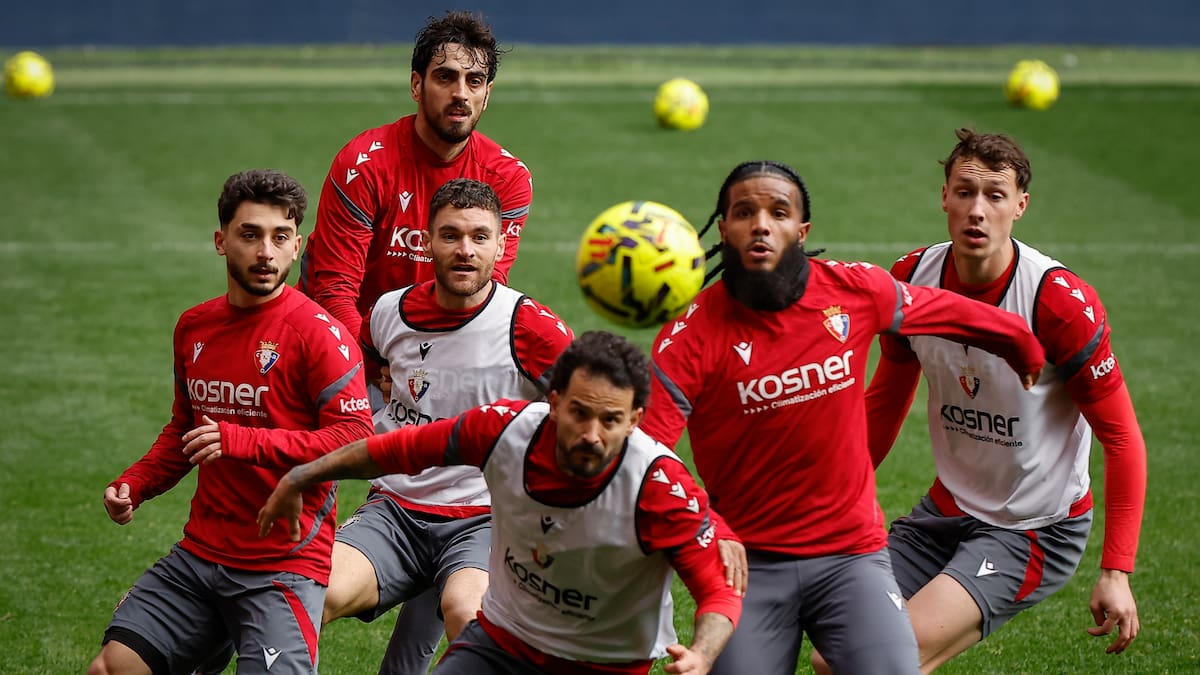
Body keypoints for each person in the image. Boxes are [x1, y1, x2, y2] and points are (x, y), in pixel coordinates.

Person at [639, 160, 1048, 674]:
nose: (761, 224)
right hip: (749, 564)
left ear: (801, 231)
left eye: (778, 212)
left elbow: (939, 308)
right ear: (723, 230)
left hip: (852, 557)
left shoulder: (853, 291)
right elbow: (648, 461)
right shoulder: (688, 339)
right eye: (744, 212)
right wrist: (709, 524)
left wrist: (1017, 339)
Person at [258, 330, 743, 675]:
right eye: (579, 413)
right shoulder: (504, 430)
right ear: (553, 401)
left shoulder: (656, 486)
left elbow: (718, 593)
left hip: (605, 666)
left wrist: (701, 654)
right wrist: (302, 474)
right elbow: (394, 451)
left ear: (636, 419)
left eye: (611, 420)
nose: (591, 435)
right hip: (501, 646)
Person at [857, 128, 1146, 672]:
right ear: (943, 195)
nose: (977, 210)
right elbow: (883, 402)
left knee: (885, 654)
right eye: (964, 192)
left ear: (1020, 206)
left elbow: (1122, 437)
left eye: (994, 196)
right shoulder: (911, 279)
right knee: (836, 653)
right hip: (946, 508)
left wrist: (1116, 571)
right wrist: (833, 496)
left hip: (1035, 527)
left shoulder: (1057, 303)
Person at [88, 169, 374, 675]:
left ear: (296, 247)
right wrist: (136, 483)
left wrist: (242, 440)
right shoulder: (194, 327)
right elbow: (185, 430)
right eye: (250, 235)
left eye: (280, 237)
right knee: (112, 668)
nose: (265, 251)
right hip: (201, 556)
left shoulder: (320, 336)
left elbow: (355, 439)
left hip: (282, 567)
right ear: (221, 241)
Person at [321, 178, 574, 669]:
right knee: (317, 594)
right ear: (426, 239)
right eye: (451, 235)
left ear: (501, 244)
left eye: (480, 237)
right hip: (395, 510)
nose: (465, 250)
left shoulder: (530, 327)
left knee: (468, 613)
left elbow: (585, 405)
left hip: (485, 518)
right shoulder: (388, 311)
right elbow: (371, 370)